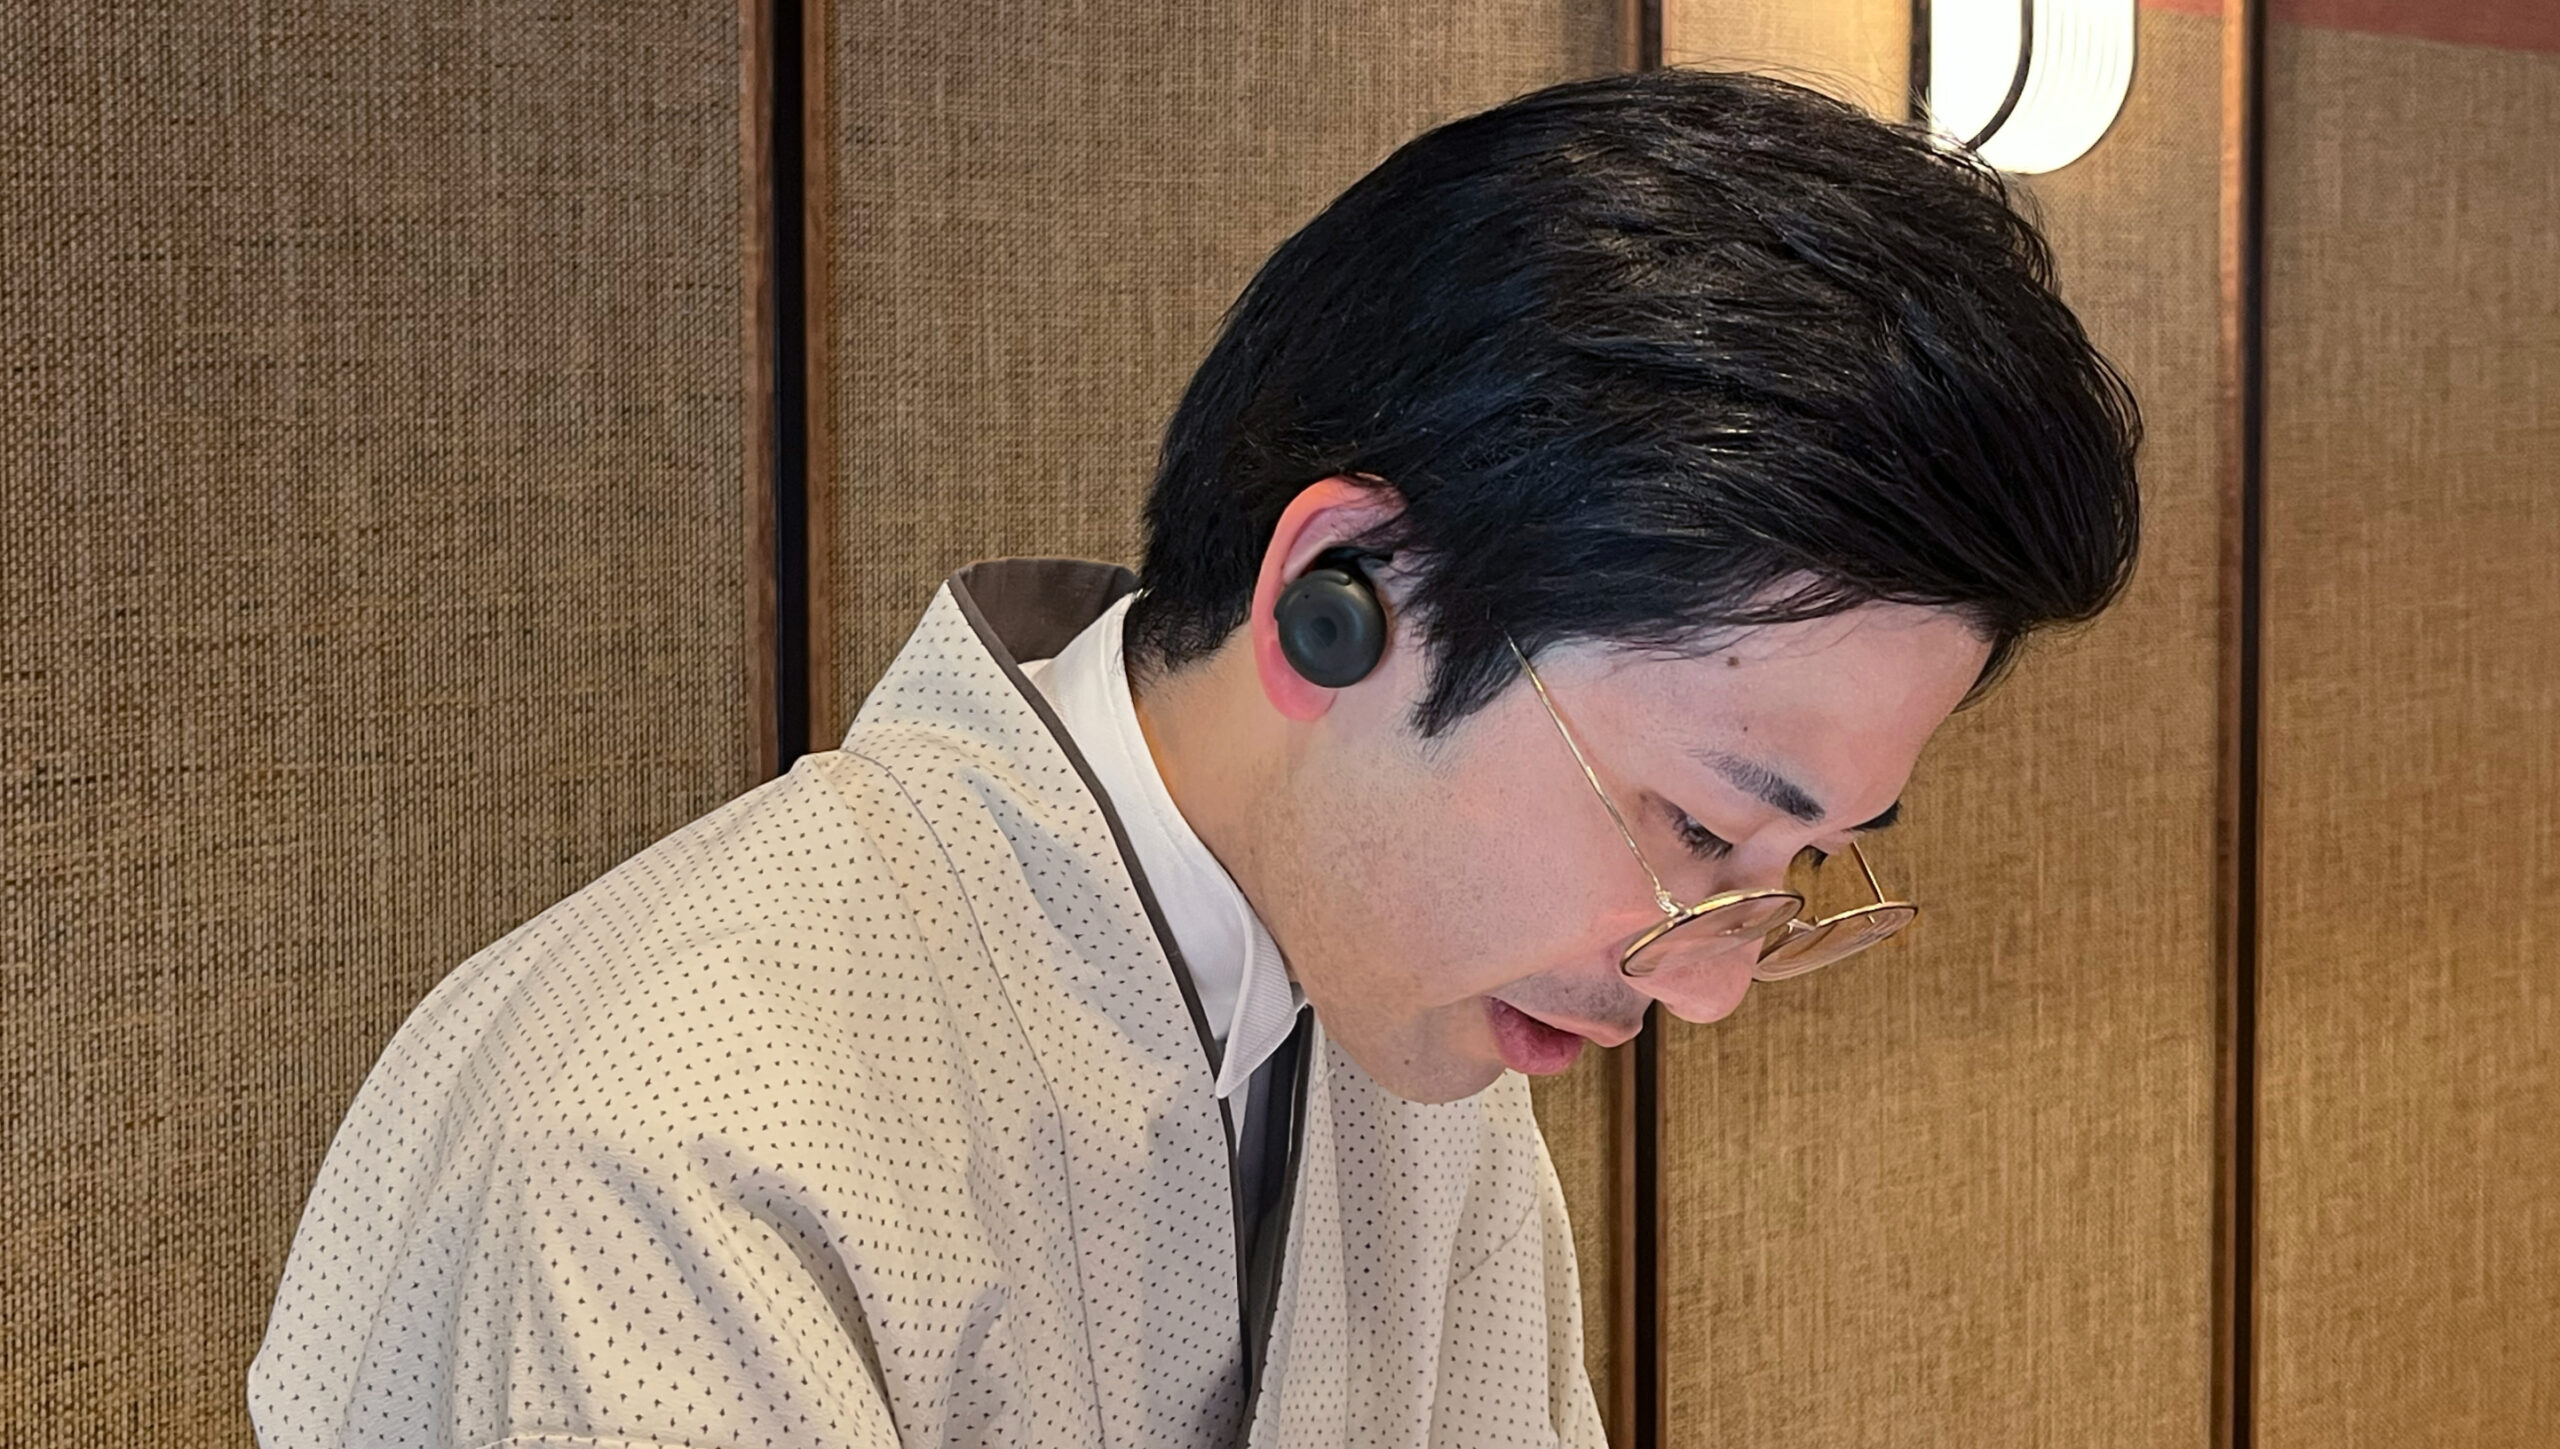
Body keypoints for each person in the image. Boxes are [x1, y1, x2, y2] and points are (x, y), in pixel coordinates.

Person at [250, 67, 2138, 1449]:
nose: (1707, 983)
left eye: (1789, 874)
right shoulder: (680, 1136)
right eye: (1698, 822)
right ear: (1340, 597)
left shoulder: (1418, 1040)